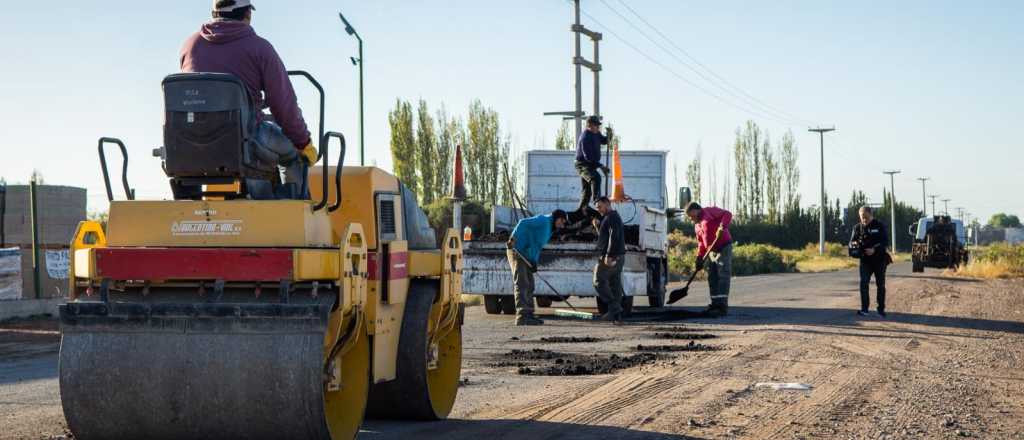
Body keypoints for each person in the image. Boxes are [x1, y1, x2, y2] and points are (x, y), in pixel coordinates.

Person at [180, 0, 318, 195]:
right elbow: (284, 107)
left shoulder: (190, 46)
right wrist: (303, 143)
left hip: (193, 141)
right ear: (247, 14)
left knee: (245, 147)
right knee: (293, 153)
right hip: (248, 140)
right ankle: (294, 208)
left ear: (214, 13)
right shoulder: (260, 49)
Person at [506, 210, 569, 326]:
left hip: (526, 255)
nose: (562, 225)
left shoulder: (549, 228)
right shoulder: (543, 221)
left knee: (530, 284)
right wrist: (513, 238)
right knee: (522, 283)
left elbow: (537, 246)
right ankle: (522, 316)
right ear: (557, 217)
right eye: (562, 221)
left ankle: (529, 314)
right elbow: (522, 222)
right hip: (517, 251)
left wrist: (534, 262)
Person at [685, 202, 733, 317]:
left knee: (723, 274)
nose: (691, 219)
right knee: (712, 277)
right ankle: (715, 304)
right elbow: (701, 243)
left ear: (696, 210)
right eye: (689, 217)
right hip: (711, 251)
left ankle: (722, 306)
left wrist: (722, 226)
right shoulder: (697, 226)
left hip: (723, 246)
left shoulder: (709, 212)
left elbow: (727, 214)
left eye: (691, 216)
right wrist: (699, 257)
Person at [850, 206, 890, 317]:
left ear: (871, 215)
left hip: (879, 260)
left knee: (880, 285)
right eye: (861, 217)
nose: (864, 219)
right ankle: (864, 309)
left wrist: (874, 249)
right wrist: (854, 246)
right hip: (865, 260)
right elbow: (852, 242)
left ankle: (880, 309)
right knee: (864, 283)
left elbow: (886, 242)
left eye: (865, 217)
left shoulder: (879, 226)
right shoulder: (857, 228)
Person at [592, 197, 626, 322]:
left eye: (600, 206)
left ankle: (615, 308)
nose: (598, 210)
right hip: (619, 255)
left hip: (612, 256)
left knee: (598, 280)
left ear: (607, 204)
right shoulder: (610, 217)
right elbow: (606, 236)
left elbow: (614, 236)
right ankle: (616, 316)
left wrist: (609, 255)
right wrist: (598, 227)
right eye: (597, 207)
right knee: (614, 283)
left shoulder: (612, 217)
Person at [574, 116, 612, 214]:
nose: (598, 127)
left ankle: (580, 212)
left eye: (598, 126)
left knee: (587, 192)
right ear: (589, 125)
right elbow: (588, 158)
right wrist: (601, 166)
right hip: (583, 165)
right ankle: (598, 203)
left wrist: (609, 135)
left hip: (591, 164)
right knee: (595, 178)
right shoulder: (585, 137)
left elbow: (605, 141)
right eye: (596, 125)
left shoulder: (596, 134)